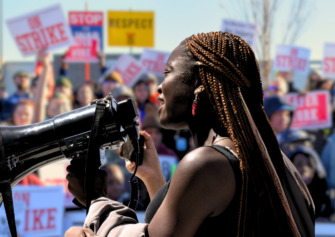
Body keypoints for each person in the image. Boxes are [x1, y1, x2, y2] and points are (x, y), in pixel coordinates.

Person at [65, 32, 314, 237]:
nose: (159, 87)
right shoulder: (280, 165)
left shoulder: (206, 165)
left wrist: (96, 198)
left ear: (200, 85)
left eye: (168, 72)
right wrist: (153, 179)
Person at [289, 147, 334, 221]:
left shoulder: (327, 190)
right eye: (299, 165)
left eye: (310, 165)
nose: (304, 169)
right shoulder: (282, 191)